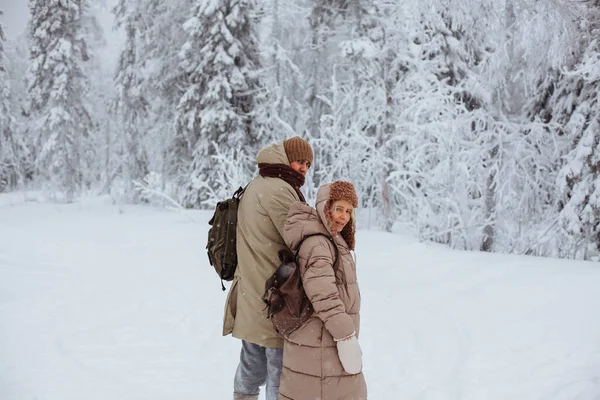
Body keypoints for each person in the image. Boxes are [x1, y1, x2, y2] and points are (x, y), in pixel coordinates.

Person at [223, 136, 314, 400]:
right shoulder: (278, 189)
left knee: (253, 360)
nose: (303, 168)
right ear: (286, 159)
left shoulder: (259, 183)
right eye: (299, 161)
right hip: (276, 294)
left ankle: (243, 396)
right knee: (281, 367)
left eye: (308, 163)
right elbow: (300, 235)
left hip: (253, 289)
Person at [278, 181, 367, 400]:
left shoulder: (330, 240)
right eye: (338, 209)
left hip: (321, 338)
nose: (343, 216)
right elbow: (324, 295)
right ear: (325, 207)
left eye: (348, 211)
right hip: (322, 341)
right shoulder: (319, 243)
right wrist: (346, 336)